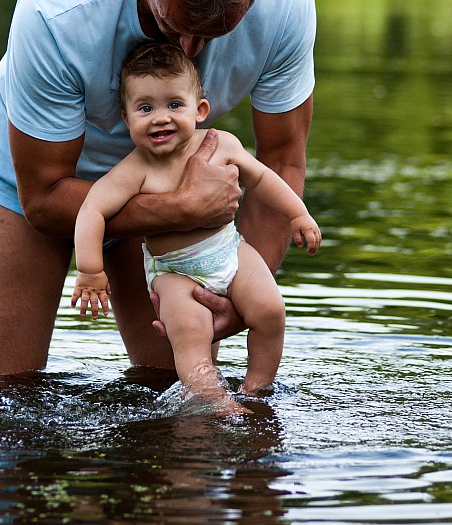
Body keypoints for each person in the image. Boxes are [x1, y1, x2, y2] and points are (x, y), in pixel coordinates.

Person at [0, 0, 317, 375]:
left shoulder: (286, 0)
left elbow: (281, 159)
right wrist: (182, 207)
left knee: (177, 386)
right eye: (173, 26)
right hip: (35, 183)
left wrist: (234, 293)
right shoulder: (57, 10)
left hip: (171, 174)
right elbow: (43, 196)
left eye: (218, 32)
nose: (191, 50)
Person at [71, 43, 320, 407]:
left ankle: (256, 389)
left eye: (174, 104)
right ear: (126, 119)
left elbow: (264, 179)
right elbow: (91, 210)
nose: (160, 117)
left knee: (270, 310)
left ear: (200, 110)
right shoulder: (135, 169)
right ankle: (211, 397)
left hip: (229, 251)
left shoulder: (222, 145)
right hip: (174, 272)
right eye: (145, 108)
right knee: (190, 334)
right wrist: (90, 270)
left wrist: (298, 214)